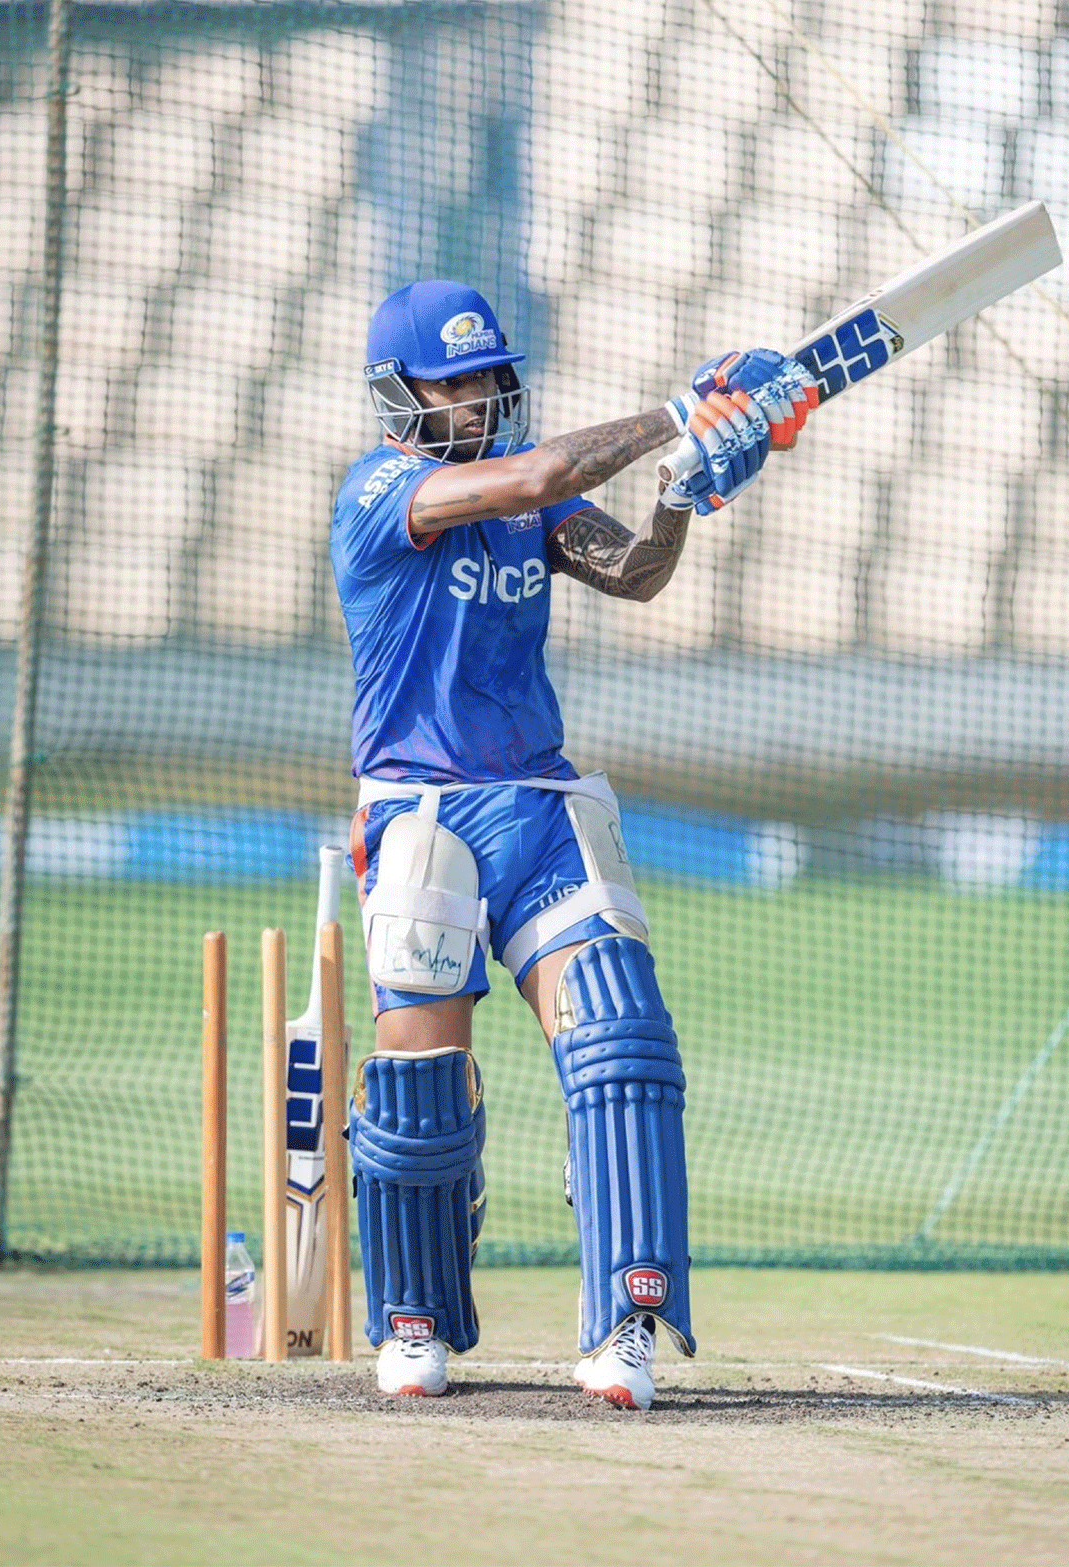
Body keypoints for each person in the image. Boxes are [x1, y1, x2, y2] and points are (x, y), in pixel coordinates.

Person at [330, 278, 813, 1410]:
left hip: (541, 804)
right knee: (421, 1091)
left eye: (493, 374)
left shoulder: (528, 498)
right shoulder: (382, 490)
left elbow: (636, 574)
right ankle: (413, 1319)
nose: (484, 394)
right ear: (400, 394)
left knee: (625, 1044)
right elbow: (546, 472)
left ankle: (625, 1325)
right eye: (457, 379)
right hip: (422, 816)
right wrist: (675, 412)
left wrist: (681, 493)